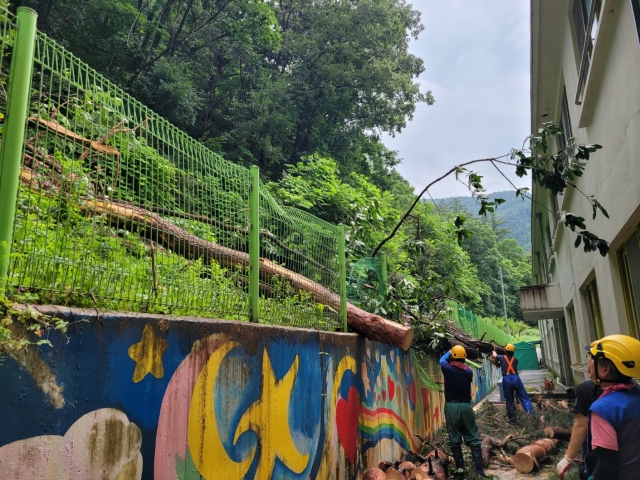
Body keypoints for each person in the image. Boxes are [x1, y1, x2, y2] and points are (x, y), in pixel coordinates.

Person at [584, 334, 640, 480]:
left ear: (604, 369)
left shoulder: (604, 409)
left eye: (591, 358)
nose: (588, 362)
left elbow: (607, 467)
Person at [440, 345, 486, 478]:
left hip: (452, 407)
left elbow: (441, 360)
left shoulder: (447, 368)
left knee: (454, 439)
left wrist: (448, 352)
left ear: (453, 357)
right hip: (466, 407)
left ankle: (460, 471)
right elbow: (460, 367)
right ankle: (479, 472)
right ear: (465, 358)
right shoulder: (468, 372)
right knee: (473, 437)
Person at [555, 367, 602, 479]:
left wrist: (568, 458)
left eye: (590, 357)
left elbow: (582, 426)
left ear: (605, 367)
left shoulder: (587, 389)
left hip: (598, 458)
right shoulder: (635, 389)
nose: (587, 367)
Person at [491, 343, 533, 421]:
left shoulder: (501, 357)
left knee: (509, 400)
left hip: (506, 379)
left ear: (505, 351)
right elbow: (507, 363)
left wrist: (493, 350)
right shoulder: (516, 360)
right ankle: (530, 416)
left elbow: (494, 355)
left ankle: (512, 419)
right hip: (516, 378)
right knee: (524, 398)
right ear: (513, 352)